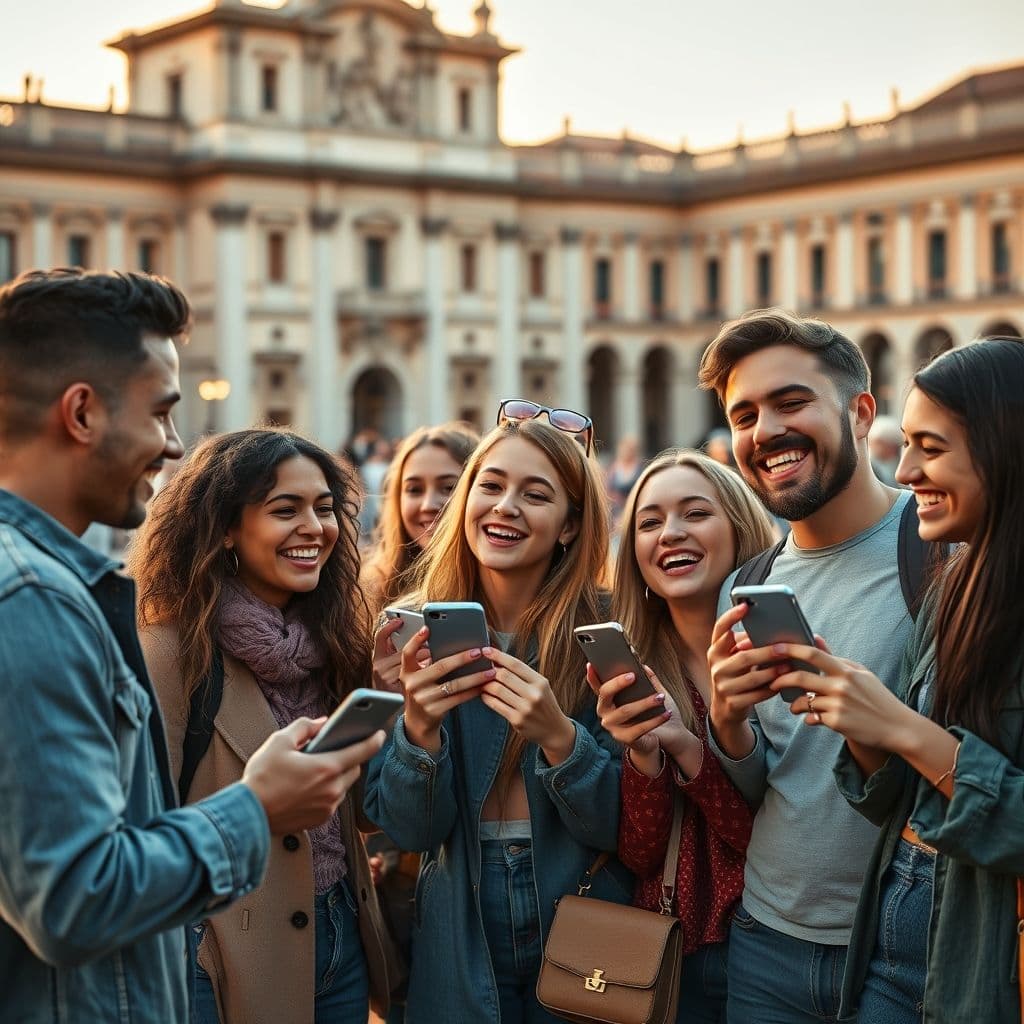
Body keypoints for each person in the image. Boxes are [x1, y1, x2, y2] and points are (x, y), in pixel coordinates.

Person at [0, 269, 383, 1023]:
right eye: (162, 413)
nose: (174, 446)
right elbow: (75, 898)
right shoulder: (34, 600)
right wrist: (255, 809)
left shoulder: (46, 586)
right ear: (81, 413)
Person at [767, 338, 1024, 1023]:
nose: (905, 470)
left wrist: (902, 726)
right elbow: (901, 803)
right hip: (887, 948)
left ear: (1004, 447)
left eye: (930, 448)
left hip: (985, 963)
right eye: (905, 444)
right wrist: (860, 725)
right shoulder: (954, 589)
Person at [364, 409, 633, 1024]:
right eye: (490, 486)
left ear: (569, 525)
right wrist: (418, 731)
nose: (505, 506)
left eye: (535, 494)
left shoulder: (607, 630)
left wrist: (560, 739)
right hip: (457, 911)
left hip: (581, 908)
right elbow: (410, 831)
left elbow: (625, 827)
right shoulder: (410, 627)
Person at [127, 428, 400, 1023]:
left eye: (325, 509)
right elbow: (139, 833)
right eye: (285, 509)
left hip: (339, 937)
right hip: (222, 952)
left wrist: (401, 707)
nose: (315, 527)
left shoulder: (339, 643)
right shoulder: (170, 652)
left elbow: (364, 817)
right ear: (227, 528)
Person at [697, 308, 924, 1024]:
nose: (765, 431)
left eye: (791, 402)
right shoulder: (749, 585)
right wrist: (728, 723)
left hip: (906, 940)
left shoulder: (943, 552)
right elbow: (769, 774)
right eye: (745, 415)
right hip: (767, 936)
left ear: (861, 413)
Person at [590, 449, 775, 1022]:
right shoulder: (635, 666)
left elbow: (777, 843)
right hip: (669, 960)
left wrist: (692, 749)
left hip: (774, 950)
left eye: (695, 514)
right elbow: (641, 854)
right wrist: (646, 757)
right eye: (648, 522)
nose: (670, 533)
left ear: (739, 526)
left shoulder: (780, 654)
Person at [361, 422, 480, 623]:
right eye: (414, 489)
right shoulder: (370, 591)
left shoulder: (502, 594)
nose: (428, 505)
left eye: (449, 487)